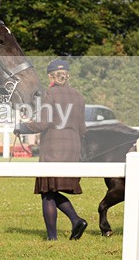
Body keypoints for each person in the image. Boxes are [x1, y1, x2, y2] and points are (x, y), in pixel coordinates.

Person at [18, 59, 88, 241]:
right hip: (73, 148)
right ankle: (76, 221)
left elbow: (43, 123)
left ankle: (53, 237)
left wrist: (22, 127)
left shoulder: (49, 95)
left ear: (50, 76)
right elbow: (82, 129)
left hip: (53, 150)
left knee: (47, 192)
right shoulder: (79, 97)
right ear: (68, 75)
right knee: (53, 190)